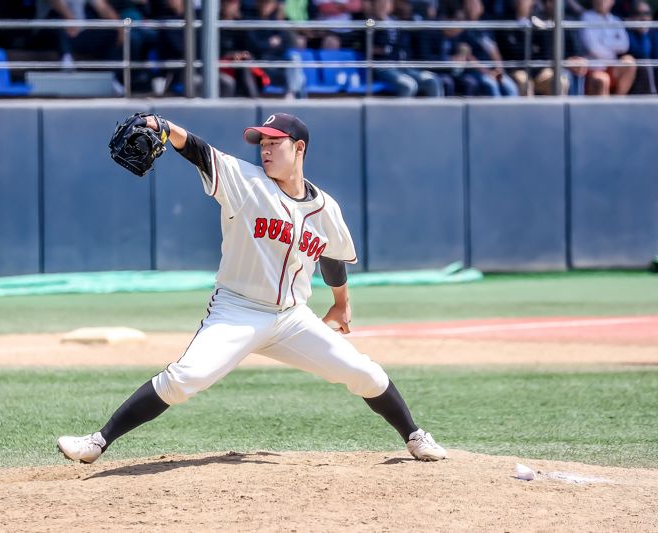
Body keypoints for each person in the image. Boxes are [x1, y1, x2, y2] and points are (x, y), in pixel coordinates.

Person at [57, 112, 448, 465]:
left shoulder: (326, 207)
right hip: (237, 310)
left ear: (299, 148)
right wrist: (163, 126)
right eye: (262, 143)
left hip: (292, 318)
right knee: (183, 380)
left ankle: (415, 436)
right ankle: (97, 442)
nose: (265, 150)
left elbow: (331, 254)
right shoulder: (245, 181)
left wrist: (341, 304)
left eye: (274, 143)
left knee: (365, 373)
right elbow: (197, 150)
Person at [580, 0, 636, 95]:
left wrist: (603, 41)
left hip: (612, 65)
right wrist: (612, 45)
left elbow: (624, 46)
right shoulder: (585, 17)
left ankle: (618, 102)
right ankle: (606, 109)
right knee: (602, 79)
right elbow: (592, 48)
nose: (602, 1)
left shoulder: (616, 20)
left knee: (629, 62)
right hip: (593, 68)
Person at [626, 0, 657, 94]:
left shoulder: (654, 33)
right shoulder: (628, 33)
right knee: (645, 64)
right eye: (638, 13)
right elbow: (643, 52)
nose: (643, 17)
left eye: (647, 13)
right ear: (631, 17)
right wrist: (643, 33)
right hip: (636, 74)